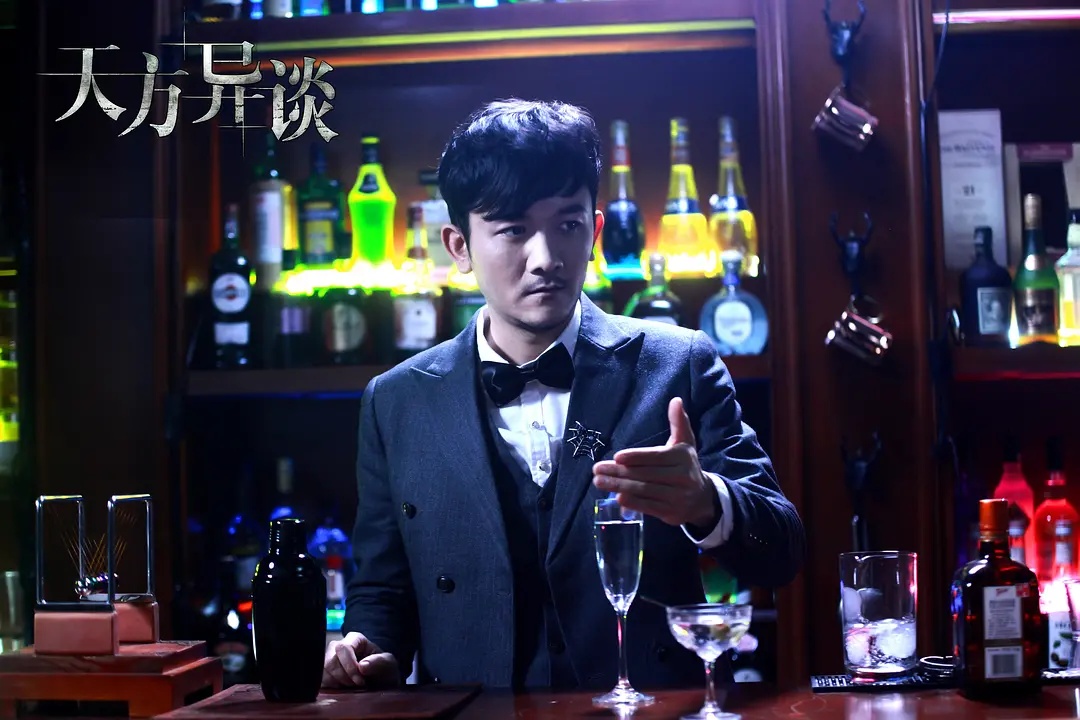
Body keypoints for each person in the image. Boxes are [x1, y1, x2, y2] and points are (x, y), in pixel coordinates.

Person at [323, 99, 805, 692]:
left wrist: (708, 502)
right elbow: (381, 592)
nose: (545, 259)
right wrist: (368, 652)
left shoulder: (678, 363)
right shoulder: (396, 401)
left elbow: (782, 552)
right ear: (459, 245)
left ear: (595, 232)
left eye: (568, 226)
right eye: (513, 230)